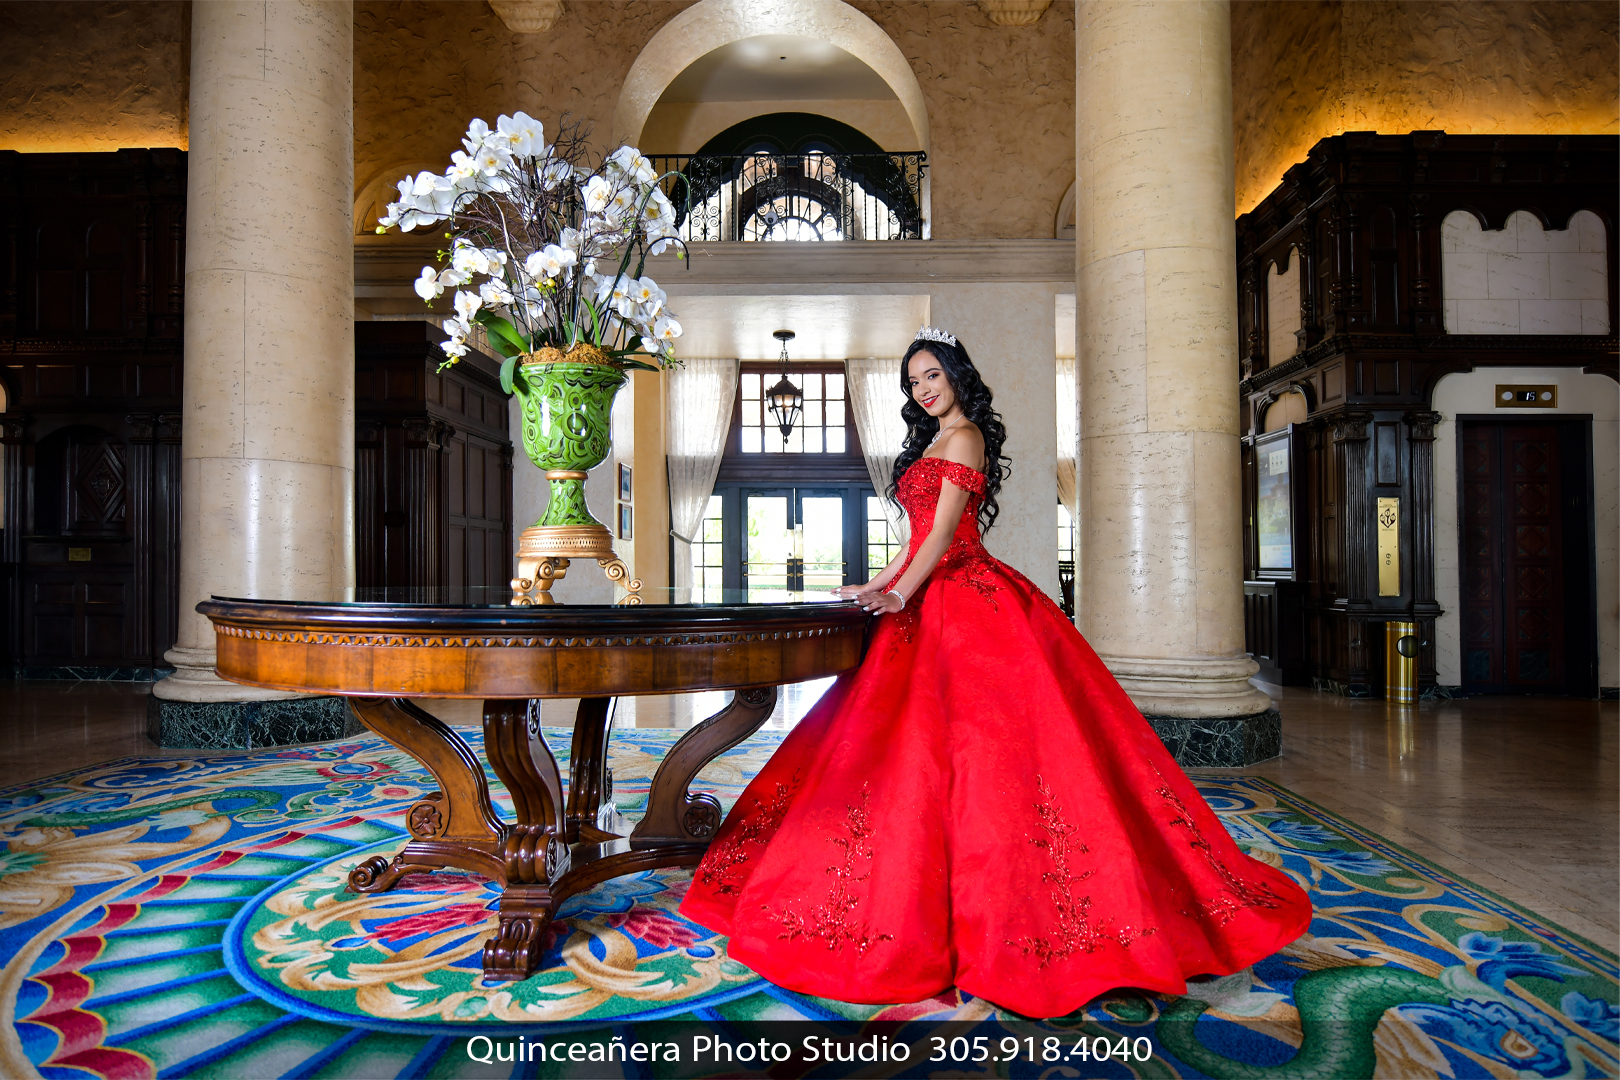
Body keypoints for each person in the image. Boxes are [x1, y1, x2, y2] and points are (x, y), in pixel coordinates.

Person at [678, 327, 1311, 1018]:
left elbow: (948, 535)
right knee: (893, 755)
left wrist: (900, 593)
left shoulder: (968, 435)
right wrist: (873, 585)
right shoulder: (930, 442)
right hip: (928, 593)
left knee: (994, 758)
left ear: (955, 374)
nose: (924, 389)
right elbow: (916, 539)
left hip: (970, 603)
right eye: (914, 381)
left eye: (932, 375)